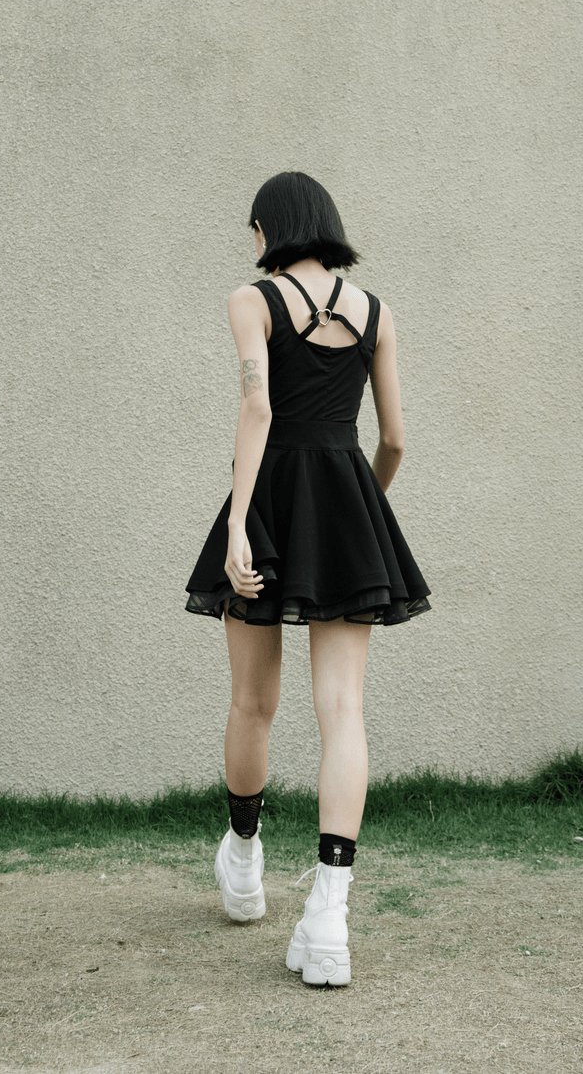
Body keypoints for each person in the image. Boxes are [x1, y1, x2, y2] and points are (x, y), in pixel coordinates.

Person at [185, 171, 430, 986]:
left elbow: (256, 411)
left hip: (270, 495)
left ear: (266, 231)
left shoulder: (252, 300)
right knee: (344, 710)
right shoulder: (378, 313)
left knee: (253, 699)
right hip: (345, 496)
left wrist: (237, 523)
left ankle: (245, 862)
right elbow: (394, 438)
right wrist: (361, 513)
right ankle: (329, 917)